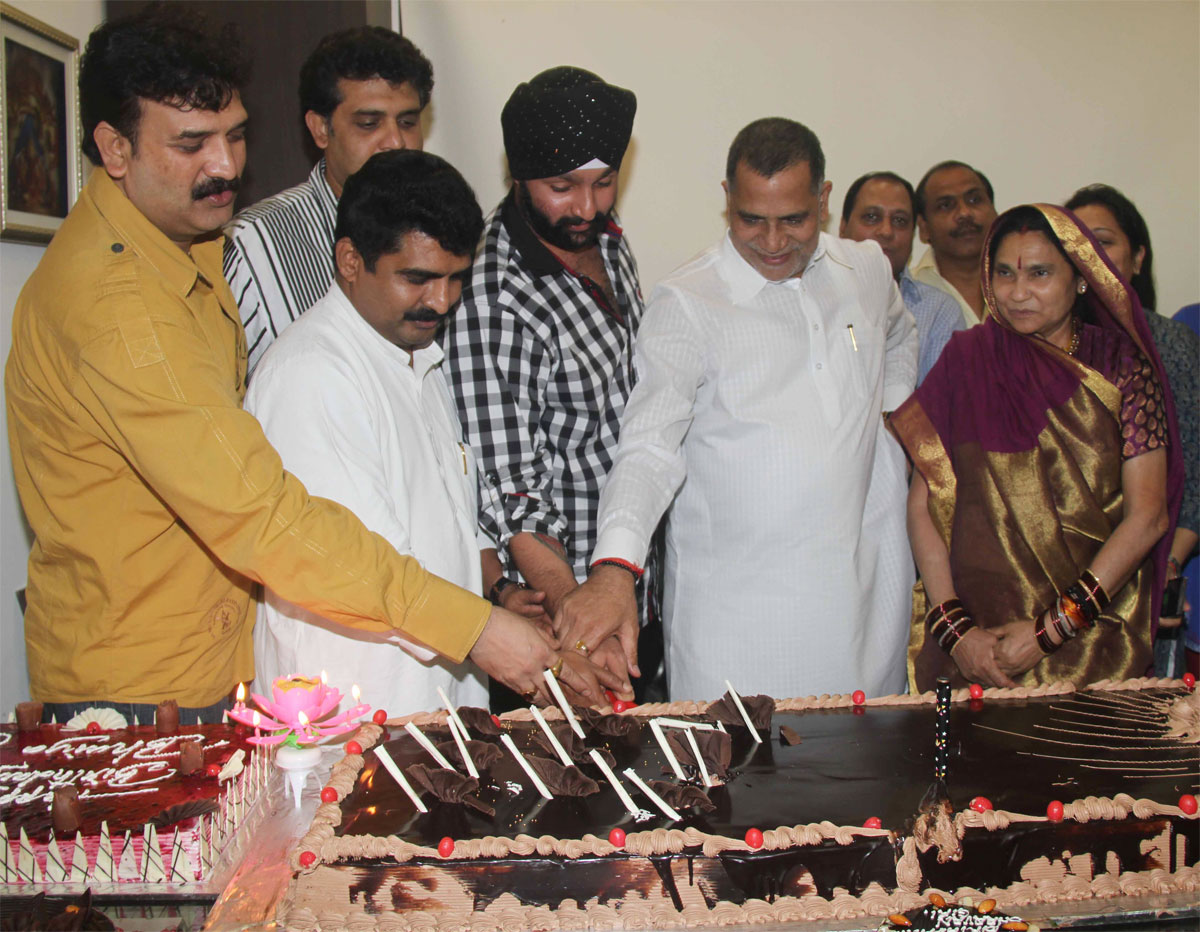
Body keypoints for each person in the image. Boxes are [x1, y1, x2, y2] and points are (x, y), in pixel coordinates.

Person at [4, 7, 592, 726]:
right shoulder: (121, 308)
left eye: (235, 135)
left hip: (221, 665)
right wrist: (474, 627)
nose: (226, 166)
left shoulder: (187, 246)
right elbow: (264, 514)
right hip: (144, 693)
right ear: (114, 149)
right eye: (192, 144)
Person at [556, 118, 918, 701]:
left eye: (793, 220)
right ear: (727, 201)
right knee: (739, 786)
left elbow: (901, 338)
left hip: (865, 611)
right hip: (736, 635)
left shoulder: (867, 270)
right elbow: (649, 445)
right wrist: (614, 570)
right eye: (752, 219)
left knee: (869, 780)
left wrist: (895, 432)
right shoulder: (688, 302)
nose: (772, 242)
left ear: (823, 201)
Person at [247, 151, 611, 713]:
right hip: (353, 716)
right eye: (417, 278)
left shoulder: (414, 353)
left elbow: (443, 521)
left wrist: (500, 594)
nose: (441, 301)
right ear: (350, 260)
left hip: (438, 704)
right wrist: (493, 634)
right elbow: (365, 572)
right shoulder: (313, 375)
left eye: (455, 278)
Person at [890, 204, 1183, 691]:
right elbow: (923, 500)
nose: (1017, 293)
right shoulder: (968, 360)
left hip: (1092, 643)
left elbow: (1147, 517)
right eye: (1004, 273)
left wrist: (1051, 629)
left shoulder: (1123, 369)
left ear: (1081, 278)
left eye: (1040, 273)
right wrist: (955, 630)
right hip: (975, 645)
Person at [444, 67, 643, 696]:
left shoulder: (606, 240)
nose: (586, 207)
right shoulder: (494, 295)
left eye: (603, 183)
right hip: (563, 627)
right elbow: (513, 494)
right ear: (519, 176)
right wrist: (580, 612)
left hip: (628, 584)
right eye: (562, 187)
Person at [224, 26, 431, 375]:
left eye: (408, 122)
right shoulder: (254, 245)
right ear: (320, 128)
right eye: (369, 124)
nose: (395, 142)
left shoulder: (438, 235)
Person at [1064, 184, 1199, 678]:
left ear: (1138, 257)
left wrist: (1167, 565)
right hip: (1059, 574)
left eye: (1105, 241)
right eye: (1073, 245)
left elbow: (1195, 474)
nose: (1091, 256)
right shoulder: (1048, 347)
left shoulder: (1172, 343)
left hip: (1153, 565)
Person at [840, 171, 964, 384]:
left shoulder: (939, 311)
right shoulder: (811, 295)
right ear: (843, 227)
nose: (886, 231)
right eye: (871, 217)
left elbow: (936, 408)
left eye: (900, 221)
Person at [911, 160, 997, 327]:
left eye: (974, 200)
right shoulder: (905, 296)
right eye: (946, 205)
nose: (964, 213)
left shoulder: (1026, 290)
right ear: (924, 228)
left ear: (995, 213)